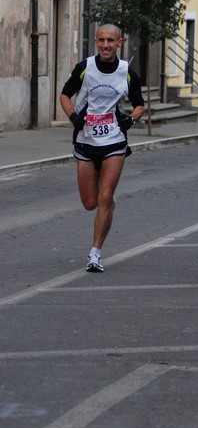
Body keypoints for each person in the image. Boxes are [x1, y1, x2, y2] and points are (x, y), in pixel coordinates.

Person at [59, 24, 145, 272]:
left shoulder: (126, 71)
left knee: (104, 197)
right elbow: (65, 95)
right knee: (89, 202)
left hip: (114, 141)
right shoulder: (85, 68)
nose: (106, 45)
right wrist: (74, 117)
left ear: (120, 43)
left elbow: (139, 105)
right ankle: (106, 203)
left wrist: (131, 119)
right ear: (96, 41)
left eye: (111, 41)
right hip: (86, 141)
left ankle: (95, 253)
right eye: (102, 40)